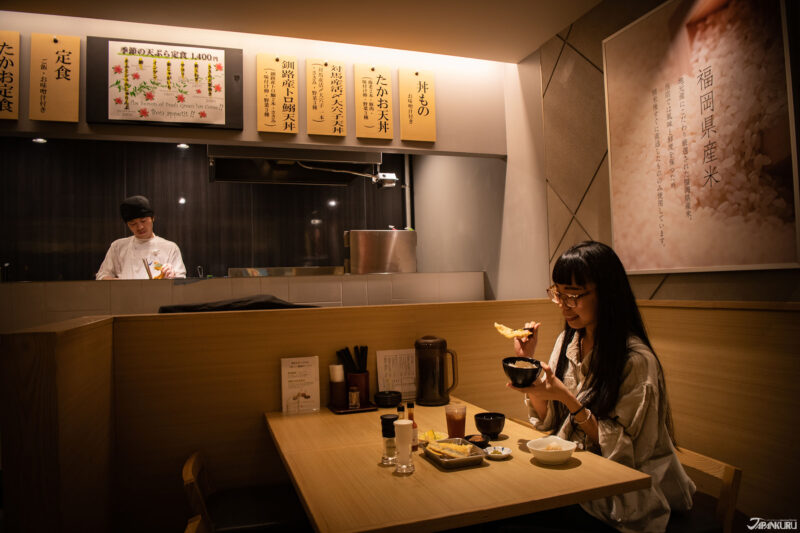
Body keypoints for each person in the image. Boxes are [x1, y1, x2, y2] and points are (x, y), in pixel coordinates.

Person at [508, 241, 695, 532]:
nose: (563, 305)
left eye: (573, 295)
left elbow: (624, 452)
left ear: (606, 294)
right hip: (577, 475)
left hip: (622, 495)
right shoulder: (568, 341)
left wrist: (569, 400)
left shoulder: (635, 361)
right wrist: (528, 365)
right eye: (558, 293)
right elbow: (550, 422)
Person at [96, 195, 186, 280]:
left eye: (143, 221)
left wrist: (172, 276)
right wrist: (121, 284)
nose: (140, 227)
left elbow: (181, 281)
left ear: (153, 218)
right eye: (133, 224)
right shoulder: (117, 247)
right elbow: (101, 276)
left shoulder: (170, 248)